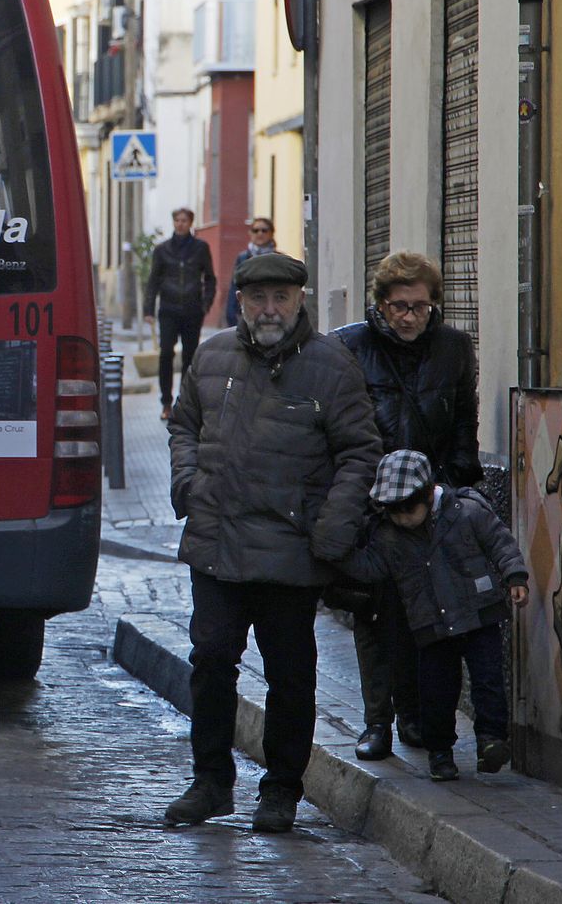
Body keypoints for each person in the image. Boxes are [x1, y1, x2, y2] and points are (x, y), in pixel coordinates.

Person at [164, 252, 383, 833]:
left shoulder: (331, 366)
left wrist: (333, 527)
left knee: (291, 674)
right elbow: (183, 423)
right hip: (217, 542)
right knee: (211, 662)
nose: (269, 309)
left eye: (280, 298)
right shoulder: (212, 357)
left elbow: (361, 451)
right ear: (240, 301)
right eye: (257, 298)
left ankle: (282, 790)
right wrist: (187, 482)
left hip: (292, 550)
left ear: (299, 301)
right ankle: (210, 782)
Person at [333, 251, 482, 763]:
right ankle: (376, 721)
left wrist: (457, 483)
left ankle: (415, 717)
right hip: (374, 505)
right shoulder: (351, 346)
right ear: (380, 304)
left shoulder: (454, 348)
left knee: (431, 613)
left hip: (431, 503)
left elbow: (464, 419)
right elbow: (335, 424)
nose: (409, 317)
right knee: (376, 615)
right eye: (399, 306)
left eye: (420, 307)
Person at [334, 450, 528, 782]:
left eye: (408, 508)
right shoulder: (389, 534)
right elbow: (372, 568)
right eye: (392, 510)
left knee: (488, 680)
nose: (401, 517)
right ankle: (440, 753)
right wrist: (336, 553)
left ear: (427, 493)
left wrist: (515, 576)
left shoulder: (466, 511)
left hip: (478, 613)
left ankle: (492, 739)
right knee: (436, 692)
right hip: (431, 626)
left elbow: (500, 542)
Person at [143, 207, 217, 420]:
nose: (181, 224)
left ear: (191, 223)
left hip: (193, 309)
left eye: (184, 220)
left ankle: (184, 402)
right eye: (177, 220)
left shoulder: (200, 248)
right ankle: (166, 402)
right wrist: (149, 309)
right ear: (173, 222)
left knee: (190, 356)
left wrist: (206, 303)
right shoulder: (162, 249)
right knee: (166, 353)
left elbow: (210, 277)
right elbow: (153, 280)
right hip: (168, 308)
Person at [222, 216, 277, 328]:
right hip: (247, 312)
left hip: (273, 311)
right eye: (255, 230)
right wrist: (231, 314)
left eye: (264, 230)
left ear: (271, 233)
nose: (260, 233)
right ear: (250, 233)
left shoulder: (278, 258)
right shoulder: (243, 258)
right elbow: (235, 286)